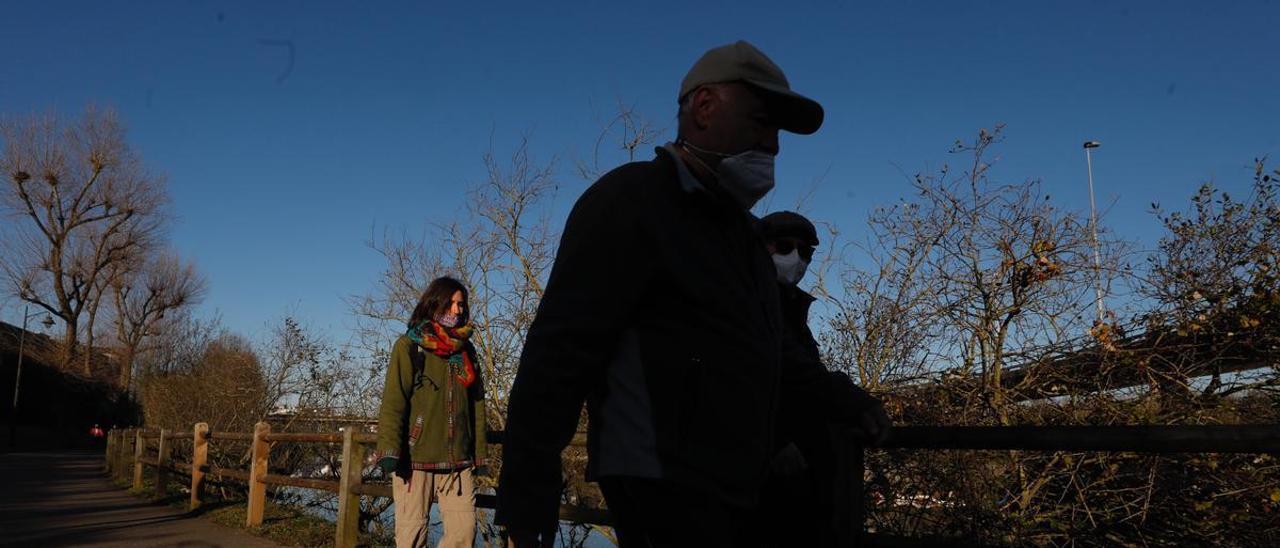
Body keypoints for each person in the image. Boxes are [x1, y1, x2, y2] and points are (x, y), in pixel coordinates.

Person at [496, 40, 888, 547]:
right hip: (660, 485)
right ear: (705, 107)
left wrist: (846, 400)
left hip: (736, 489)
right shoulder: (632, 201)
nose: (773, 143)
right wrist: (529, 497)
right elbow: (560, 353)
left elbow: (773, 351)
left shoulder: (743, 235)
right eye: (762, 120)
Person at [758, 210, 890, 546]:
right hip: (766, 476)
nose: (796, 259)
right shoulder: (751, 302)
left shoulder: (789, 308)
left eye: (805, 252)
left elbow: (798, 373)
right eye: (784, 246)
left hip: (796, 470)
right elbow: (778, 369)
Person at [374, 276, 487, 548]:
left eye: (462, 305)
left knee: (463, 535)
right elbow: (393, 401)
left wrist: (480, 455)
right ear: (436, 303)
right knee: (411, 537)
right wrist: (390, 450)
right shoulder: (409, 346)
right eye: (453, 304)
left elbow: (477, 405)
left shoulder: (467, 350)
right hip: (415, 460)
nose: (459, 310)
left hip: (459, 461)